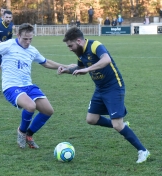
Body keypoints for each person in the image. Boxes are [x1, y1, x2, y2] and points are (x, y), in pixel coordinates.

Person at [0, 23, 72, 149]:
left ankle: (29, 134)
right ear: (18, 35)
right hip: (11, 87)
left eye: (30, 39)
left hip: (28, 85)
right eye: (25, 39)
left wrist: (65, 66)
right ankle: (21, 132)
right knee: (30, 106)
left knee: (48, 111)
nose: (28, 42)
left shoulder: (32, 50)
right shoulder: (9, 44)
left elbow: (46, 62)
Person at [57, 27, 150, 164]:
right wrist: (66, 70)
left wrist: (88, 69)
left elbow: (106, 60)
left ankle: (143, 151)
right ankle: (122, 125)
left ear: (78, 41)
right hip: (100, 88)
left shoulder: (95, 45)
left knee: (117, 125)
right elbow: (80, 68)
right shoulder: (79, 51)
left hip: (114, 87)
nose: (70, 48)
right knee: (91, 119)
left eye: (71, 45)